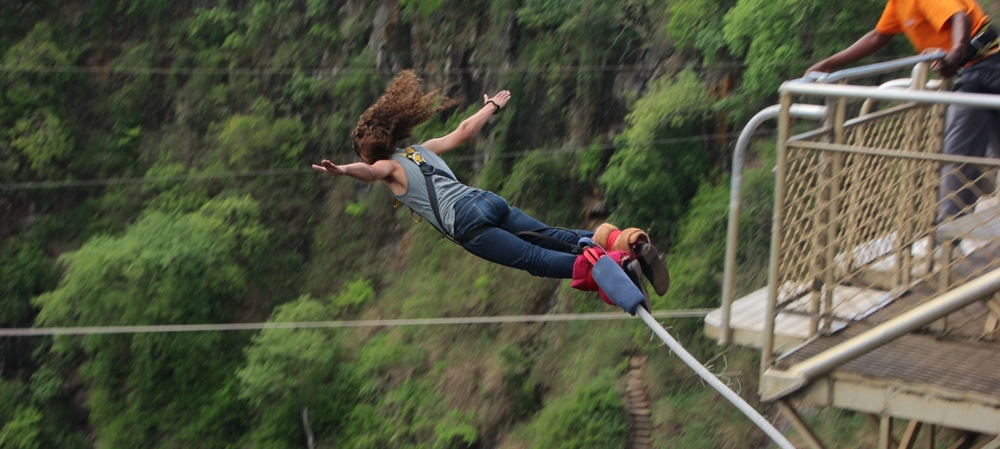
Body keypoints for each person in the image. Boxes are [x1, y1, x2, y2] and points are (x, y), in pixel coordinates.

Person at [312, 70, 669, 300]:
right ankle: (626, 244)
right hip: (486, 200)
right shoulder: (421, 150)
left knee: (535, 258)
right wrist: (491, 108)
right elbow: (464, 131)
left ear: (370, 151)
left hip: (468, 224)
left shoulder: (387, 167)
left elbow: (370, 173)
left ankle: (618, 270)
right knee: (548, 234)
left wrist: (344, 169)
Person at [805, 0, 1000, 224]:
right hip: (979, 66)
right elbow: (879, 35)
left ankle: (946, 244)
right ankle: (949, 235)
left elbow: (960, 17)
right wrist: (830, 63)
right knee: (963, 154)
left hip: (983, 66)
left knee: (957, 156)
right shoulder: (898, 4)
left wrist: (955, 55)